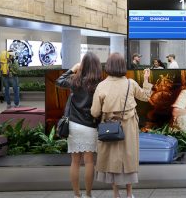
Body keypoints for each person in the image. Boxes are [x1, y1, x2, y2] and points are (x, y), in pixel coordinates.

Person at [91, 53, 153, 198]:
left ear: (108, 66)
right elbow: (145, 96)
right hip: (129, 126)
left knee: (112, 158)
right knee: (128, 157)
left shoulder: (101, 85)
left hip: (109, 127)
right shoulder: (130, 83)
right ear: (122, 66)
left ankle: (115, 194)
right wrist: (145, 79)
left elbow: (94, 112)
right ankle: (129, 194)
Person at [56, 52, 103, 198]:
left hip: (74, 125)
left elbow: (59, 81)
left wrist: (73, 68)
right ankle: (88, 195)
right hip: (90, 126)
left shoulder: (75, 80)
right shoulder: (98, 83)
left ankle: (77, 195)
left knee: (75, 162)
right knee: (89, 161)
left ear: (83, 65)